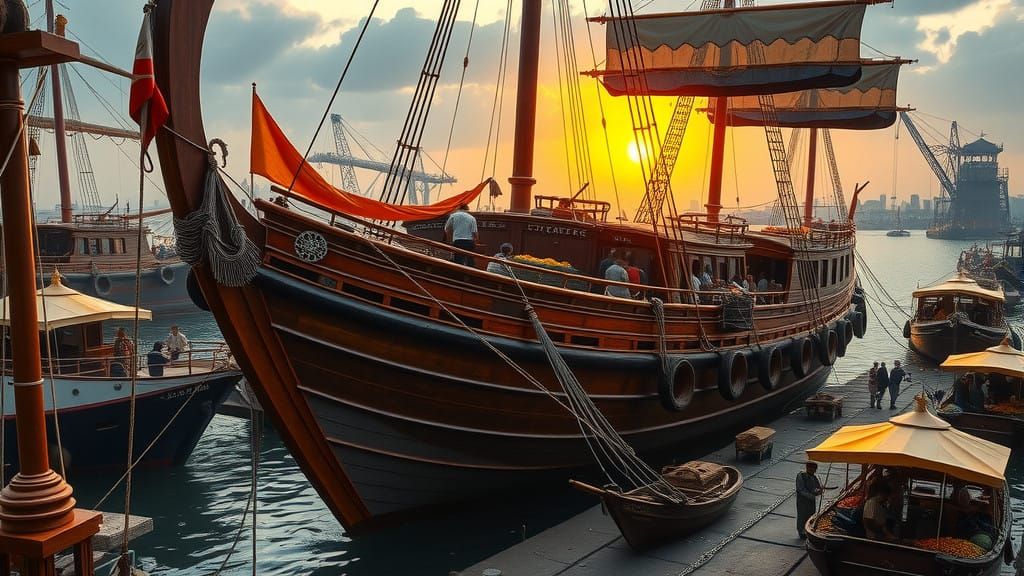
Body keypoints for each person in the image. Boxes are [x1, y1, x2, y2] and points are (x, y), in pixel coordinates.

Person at [796, 461, 823, 539]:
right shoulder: (801, 475)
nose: (813, 471)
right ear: (808, 468)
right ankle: (801, 531)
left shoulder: (814, 477)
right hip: (802, 500)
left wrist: (819, 491)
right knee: (802, 515)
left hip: (811, 501)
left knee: (811, 515)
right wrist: (811, 495)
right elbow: (800, 489)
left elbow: (817, 488)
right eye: (812, 469)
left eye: (814, 469)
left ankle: (808, 530)